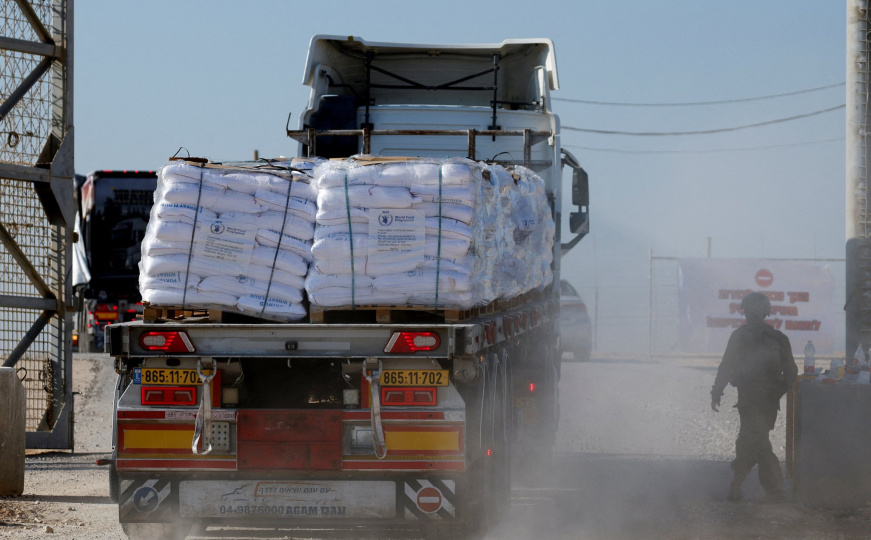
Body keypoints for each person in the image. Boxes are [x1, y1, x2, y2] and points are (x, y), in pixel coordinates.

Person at [711, 291, 797, 503]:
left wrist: (777, 392)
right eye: (753, 310)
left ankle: (740, 484)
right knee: (756, 441)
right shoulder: (750, 337)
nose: (755, 314)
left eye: (757, 310)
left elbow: (791, 372)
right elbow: (727, 366)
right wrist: (717, 389)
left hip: (762, 401)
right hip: (752, 400)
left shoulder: (774, 339)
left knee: (752, 440)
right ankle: (772, 491)